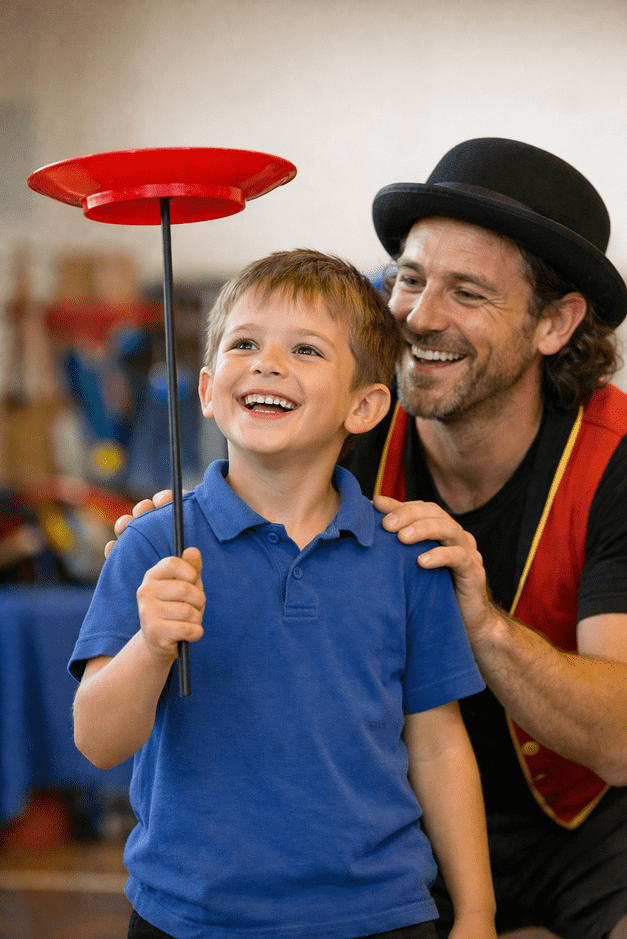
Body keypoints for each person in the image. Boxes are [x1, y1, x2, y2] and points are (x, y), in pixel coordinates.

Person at [112, 139, 627, 939]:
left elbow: (621, 740)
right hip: (389, 822)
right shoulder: (347, 427)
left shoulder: (614, 464)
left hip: (583, 828)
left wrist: (483, 622)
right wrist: (175, 520)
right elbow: (254, 461)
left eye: (466, 291)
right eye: (409, 279)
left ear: (555, 322)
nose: (418, 316)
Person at [71, 249, 496, 939]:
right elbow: (97, 740)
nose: (267, 363)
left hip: (382, 915)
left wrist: (476, 912)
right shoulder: (152, 544)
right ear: (207, 390)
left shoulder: (404, 556)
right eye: (244, 343)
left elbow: (439, 745)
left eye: (304, 348)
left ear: (364, 405)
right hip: (192, 917)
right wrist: (151, 644)